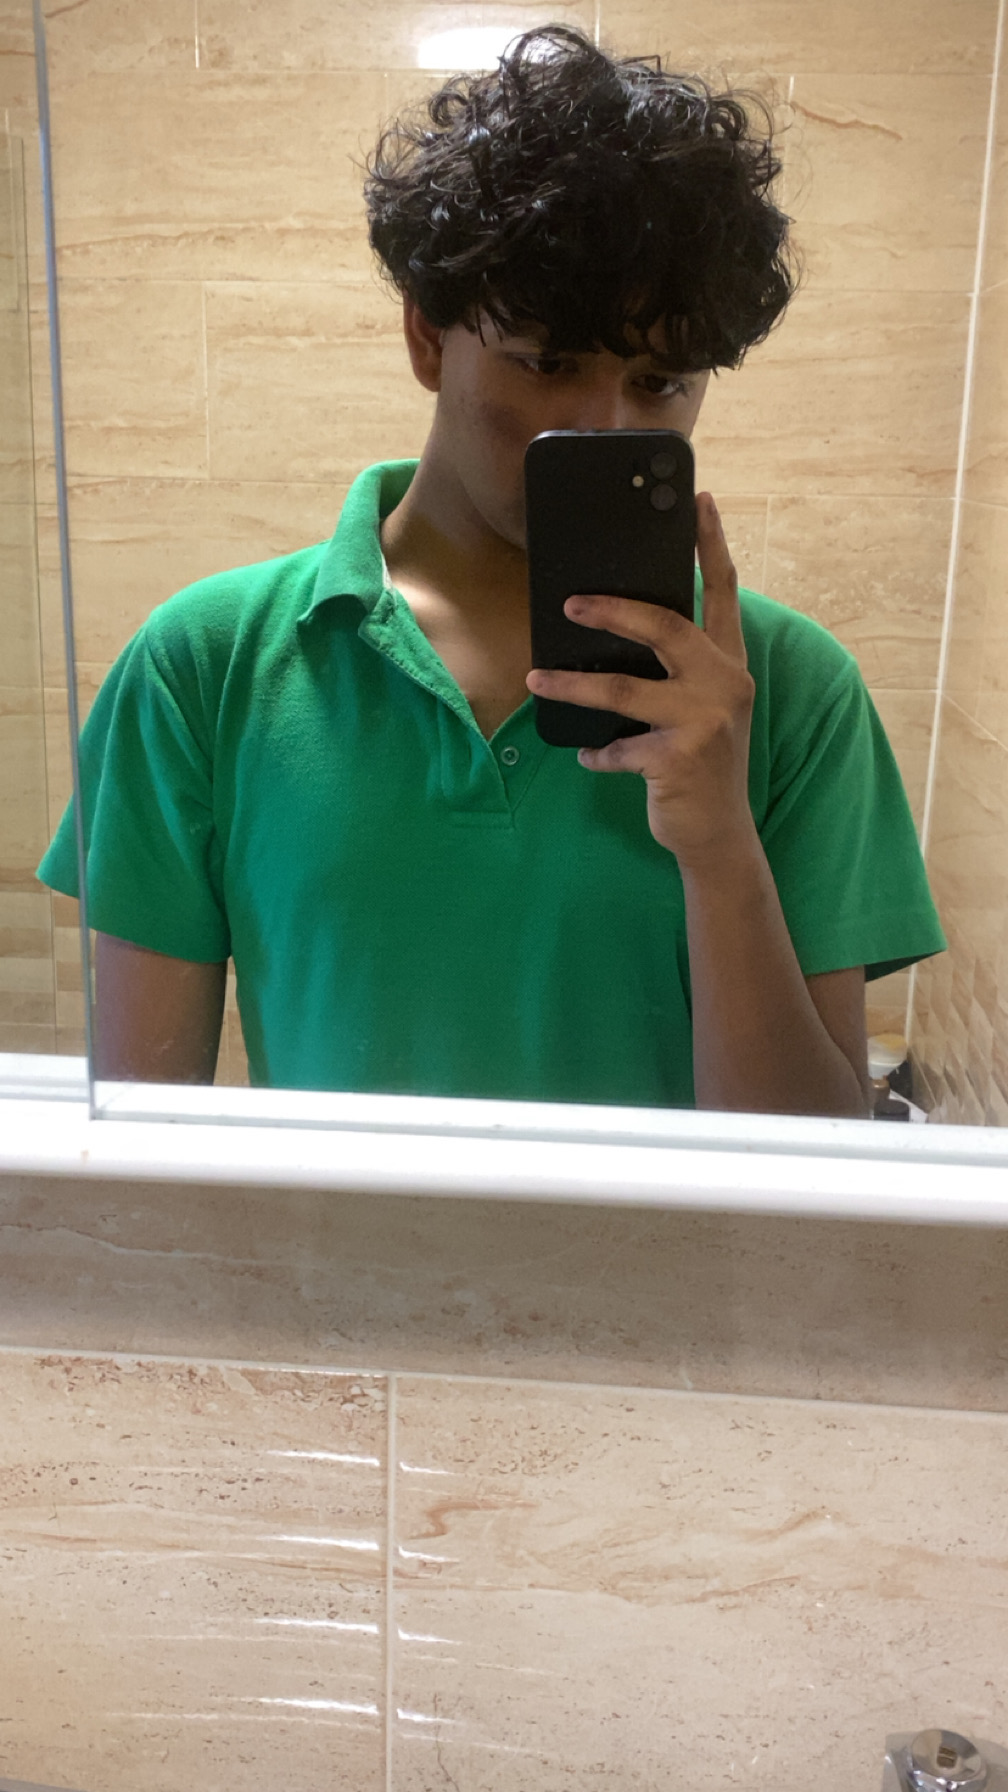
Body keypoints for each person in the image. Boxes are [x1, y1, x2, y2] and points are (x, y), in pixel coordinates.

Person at [38, 25, 945, 1115]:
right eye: (548, 363)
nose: (605, 425)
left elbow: (819, 1183)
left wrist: (719, 847)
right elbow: (142, 1145)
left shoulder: (791, 691)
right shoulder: (204, 665)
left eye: (662, 383)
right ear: (428, 337)